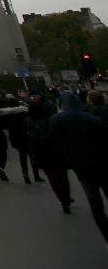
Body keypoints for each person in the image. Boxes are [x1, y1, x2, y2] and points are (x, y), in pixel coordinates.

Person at [50, 92, 108, 241]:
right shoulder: (93, 119)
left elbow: (55, 144)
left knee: (95, 201)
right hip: (102, 162)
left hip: (80, 165)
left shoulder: (56, 120)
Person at [26, 91, 72, 212]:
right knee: (63, 177)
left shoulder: (28, 122)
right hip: (56, 153)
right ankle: (66, 197)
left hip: (41, 154)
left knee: (52, 178)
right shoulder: (52, 120)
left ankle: (62, 199)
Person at [0, 94, 38, 184]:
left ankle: (26, 175)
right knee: (32, 155)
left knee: (22, 156)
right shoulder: (24, 113)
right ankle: (36, 175)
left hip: (16, 138)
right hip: (27, 137)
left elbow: (4, 126)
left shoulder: (7, 115)